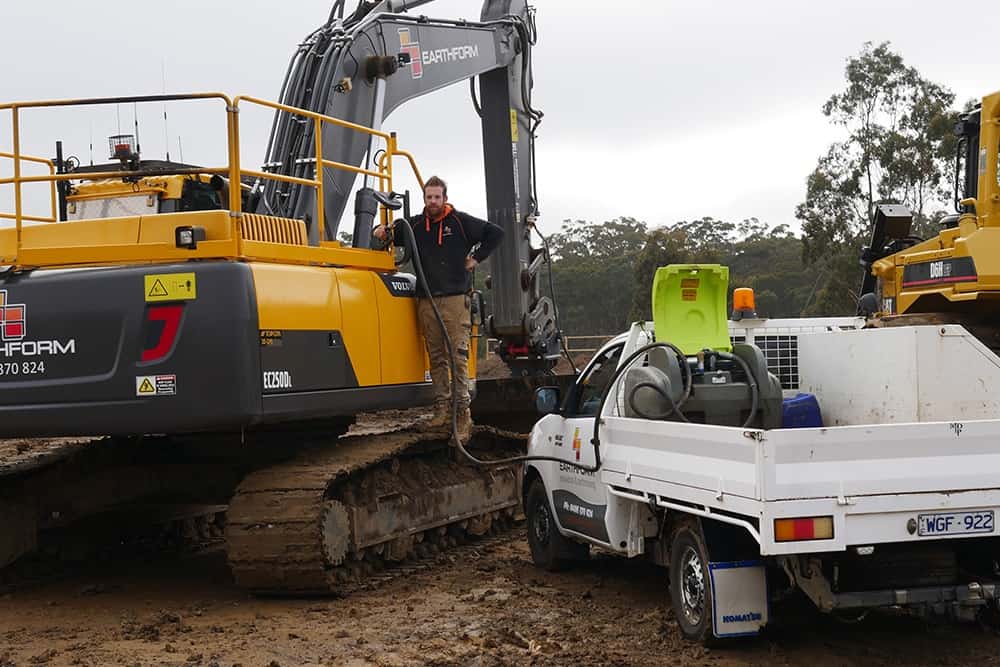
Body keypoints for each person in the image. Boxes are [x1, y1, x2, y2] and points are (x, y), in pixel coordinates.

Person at [374, 176, 504, 441]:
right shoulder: (415, 225)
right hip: (426, 299)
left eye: (437, 197)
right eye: (429, 197)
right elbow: (388, 234)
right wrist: (381, 230)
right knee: (436, 358)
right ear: (424, 199)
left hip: (455, 300)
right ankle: (442, 411)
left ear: (444, 198)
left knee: (457, 356)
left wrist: (475, 258)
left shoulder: (460, 221)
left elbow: (496, 233)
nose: (432, 201)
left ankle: (462, 414)